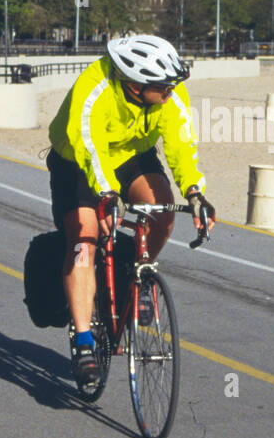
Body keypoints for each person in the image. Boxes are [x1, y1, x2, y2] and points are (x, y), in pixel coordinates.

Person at [46, 34, 216, 385]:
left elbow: (182, 143)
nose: (171, 91)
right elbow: (89, 147)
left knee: (162, 211)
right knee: (84, 240)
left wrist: (195, 191)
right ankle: (83, 342)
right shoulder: (95, 88)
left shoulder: (169, 94)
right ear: (136, 85)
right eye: (163, 86)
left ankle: (138, 278)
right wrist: (106, 196)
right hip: (78, 160)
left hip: (132, 154)